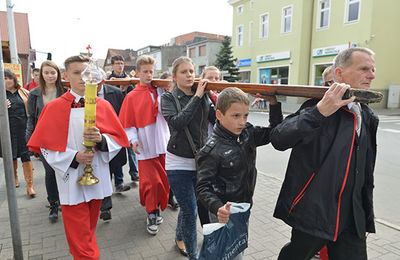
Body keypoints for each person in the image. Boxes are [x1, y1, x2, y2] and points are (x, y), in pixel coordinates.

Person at [270, 47, 378, 260]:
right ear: (339, 74)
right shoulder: (316, 106)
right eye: (364, 68)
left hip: (352, 217)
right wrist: (319, 112)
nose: (372, 75)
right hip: (315, 212)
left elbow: (365, 172)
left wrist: (365, 214)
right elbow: (278, 139)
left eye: (373, 69)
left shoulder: (368, 115)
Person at [27, 55, 129, 260]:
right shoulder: (54, 107)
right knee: (83, 243)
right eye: (77, 73)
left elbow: (119, 139)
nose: (83, 78)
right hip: (71, 181)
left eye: (86, 73)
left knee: (86, 235)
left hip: (97, 179)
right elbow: (45, 148)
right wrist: (74, 157)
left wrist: (101, 140)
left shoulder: (104, 105)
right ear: (65, 76)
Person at [196, 87, 282, 260]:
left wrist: (273, 103)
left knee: (237, 247)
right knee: (230, 254)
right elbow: (202, 186)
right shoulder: (210, 151)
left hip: (244, 205)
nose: (242, 122)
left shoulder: (247, 133)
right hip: (224, 211)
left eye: (245, 115)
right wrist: (217, 207)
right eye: (236, 116)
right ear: (219, 115)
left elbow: (276, 132)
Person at [161, 56, 216, 259]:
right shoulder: (168, 98)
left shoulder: (202, 96)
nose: (189, 75)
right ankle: (194, 256)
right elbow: (177, 122)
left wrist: (213, 95)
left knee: (188, 207)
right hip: (178, 164)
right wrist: (198, 97)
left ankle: (178, 237)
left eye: (192, 71)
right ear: (175, 76)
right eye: (184, 72)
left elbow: (215, 118)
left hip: (200, 162)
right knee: (191, 212)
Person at [119, 55, 170, 235]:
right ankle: (151, 213)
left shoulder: (161, 91)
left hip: (163, 143)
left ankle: (156, 208)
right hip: (145, 145)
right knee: (151, 182)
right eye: (145, 72)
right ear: (138, 73)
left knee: (163, 181)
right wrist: (133, 140)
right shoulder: (132, 97)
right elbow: (127, 123)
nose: (149, 75)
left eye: (151, 71)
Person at [26, 61, 65, 221]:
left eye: (53, 72)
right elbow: (31, 119)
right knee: (50, 172)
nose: (50, 75)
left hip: (63, 138)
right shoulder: (34, 94)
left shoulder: (65, 91)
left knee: (62, 171)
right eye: (47, 72)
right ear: (41, 74)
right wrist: (29, 141)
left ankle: (65, 201)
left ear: (58, 74)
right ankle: (53, 204)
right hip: (44, 140)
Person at [97, 71, 131, 221]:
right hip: (94, 140)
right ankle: (105, 206)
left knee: (111, 168)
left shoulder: (115, 92)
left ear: (103, 80)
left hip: (112, 139)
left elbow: (123, 114)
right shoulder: (83, 95)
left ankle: (116, 187)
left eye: (97, 79)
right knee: (102, 174)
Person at [0, 69, 36, 197]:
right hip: (7, 130)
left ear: (15, 79)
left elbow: (32, 111)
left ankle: (30, 185)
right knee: (11, 155)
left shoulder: (24, 92)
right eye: (4, 78)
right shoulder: (1, 94)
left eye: (10, 78)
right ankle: (14, 178)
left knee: (26, 156)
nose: (8, 81)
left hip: (23, 129)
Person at [108, 55, 139, 182]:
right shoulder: (109, 80)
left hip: (128, 116)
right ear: (112, 65)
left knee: (131, 147)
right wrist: (119, 90)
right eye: (117, 63)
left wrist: (126, 88)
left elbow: (133, 97)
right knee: (117, 149)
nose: (120, 66)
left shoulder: (129, 79)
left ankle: (134, 172)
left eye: (122, 63)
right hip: (114, 117)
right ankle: (119, 180)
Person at [159, 71, 179, 211]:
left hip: (172, 138)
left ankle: (170, 197)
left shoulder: (178, 95)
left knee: (170, 174)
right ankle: (161, 197)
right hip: (161, 139)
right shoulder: (162, 97)